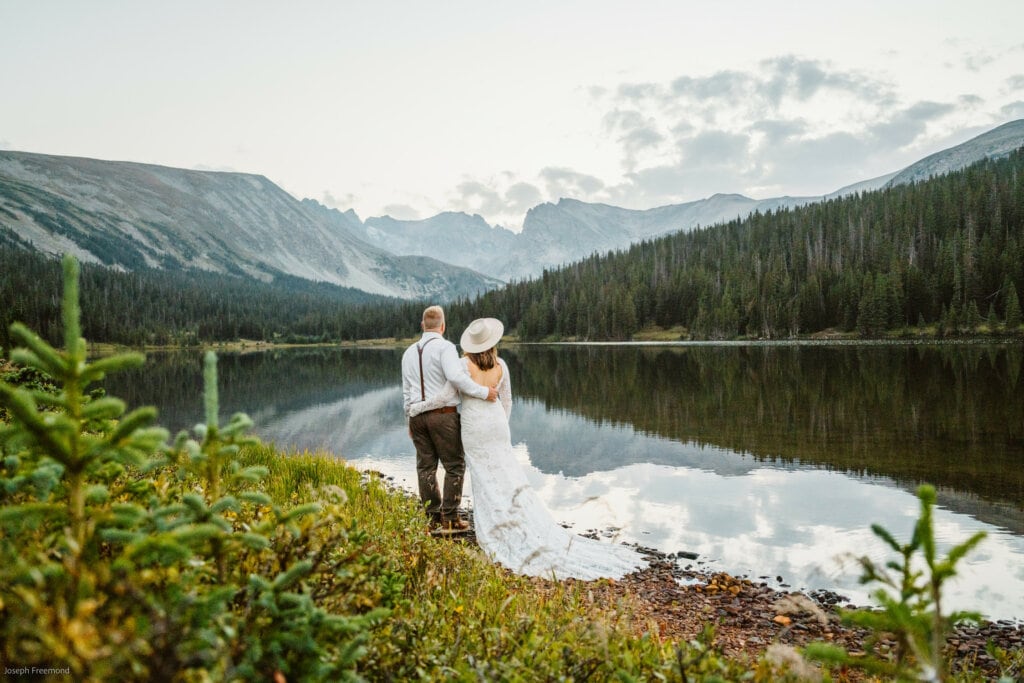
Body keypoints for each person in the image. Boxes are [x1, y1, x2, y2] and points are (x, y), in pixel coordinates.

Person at [407, 317, 648, 580]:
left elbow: (445, 397)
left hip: (474, 426)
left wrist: (416, 409)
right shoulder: (502, 365)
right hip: (497, 423)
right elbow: (507, 400)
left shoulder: (464, 365)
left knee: (483, 475)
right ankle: (515, 519)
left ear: (470, 345)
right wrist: (502, 425)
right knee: (505, 472)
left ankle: (492, 525)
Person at [402, 305, 498, 533]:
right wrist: (484, 392)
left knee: (425, 467)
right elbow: (456, 378)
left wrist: (409, 419)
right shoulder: (445, 347)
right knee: (455, 465)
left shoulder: (407, 353)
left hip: (417, 417)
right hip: (443, 417)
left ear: (422, 325)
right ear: (443, 326)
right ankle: (451, 518)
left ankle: (432, 518)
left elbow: (406, 391)